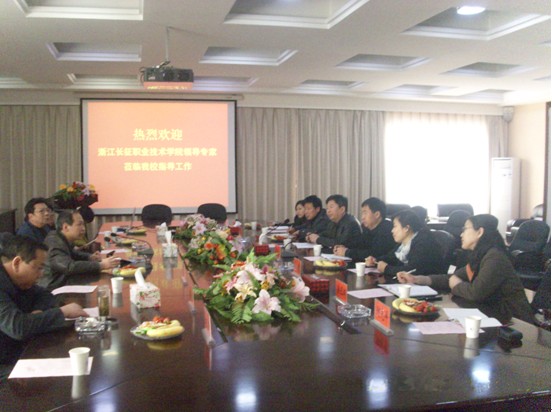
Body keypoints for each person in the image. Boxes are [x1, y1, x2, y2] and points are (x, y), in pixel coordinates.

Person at [397, 214, 536, 324]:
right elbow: (452, 278)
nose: (461, 234)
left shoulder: (495, 257)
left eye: (465, 229)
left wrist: (456, 284)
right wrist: (417, 279)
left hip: (515, 322)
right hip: (492, 314)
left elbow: (475, 292)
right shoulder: (481, 255)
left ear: (479, 232)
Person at [0, 236, 87, 377]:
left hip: (17, 351)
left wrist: (38, 311)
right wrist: (62, 312)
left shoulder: (21, 281)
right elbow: (18, 327)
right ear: (17, 263)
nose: (41, 275)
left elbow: (45, 294)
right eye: (38, 268)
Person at [38, 210, 118, 291]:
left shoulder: (61, 237)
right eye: (79, 224)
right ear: (66, 227)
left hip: (64, 281)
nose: (83, 228)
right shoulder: (54, 242)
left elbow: (73, 253)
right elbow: (69, 266)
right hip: (53, 288)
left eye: (83, 224)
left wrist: (89, 257)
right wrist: (101, 265)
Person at [366, 208, 445, 282]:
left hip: (428, 287)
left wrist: (386, 268)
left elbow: (412, 270)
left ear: (406, 228)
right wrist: (375, 260)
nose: (392, 231)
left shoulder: (424, 242)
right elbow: (391, 257)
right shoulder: (404, 243)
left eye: (395, 226)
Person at [334, 197, 396, 262]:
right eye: (362, 213)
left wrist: (347, 252)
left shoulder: (387, 229)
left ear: (377, 214)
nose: (362, 217)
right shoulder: (366, 227)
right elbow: (359, 244)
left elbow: (374, 254)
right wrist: (344, 247)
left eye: (365, 213)